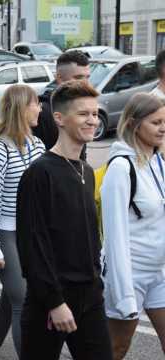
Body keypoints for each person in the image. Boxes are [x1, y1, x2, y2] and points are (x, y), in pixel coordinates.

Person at [16, 80, 113, 360]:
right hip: (51, 301)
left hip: (90, 297)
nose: (92, 120)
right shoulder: (39, 173)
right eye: (83, 114)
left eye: (95, 114)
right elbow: (33, 244)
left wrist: (98, 285)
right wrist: (55, 302)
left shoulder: (85, 170)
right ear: (59, 118)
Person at [0, 84, 46, 359]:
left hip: (29, 235)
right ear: (21, 108)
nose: (40, 108)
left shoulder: (38, 144)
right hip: (6, 234)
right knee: (23, 301)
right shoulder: (0, 150)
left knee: (11, 298)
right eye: (36, 104)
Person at [101, 93, 165, 359]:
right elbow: (114, 237)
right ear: (135, 124)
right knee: (116, 348)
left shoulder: (158, 162)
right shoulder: (120, 167)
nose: (163, 128)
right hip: (129, 274)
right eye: (156, 122)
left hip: (159, 273)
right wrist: (124, 293)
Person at [32, 50, 90, 159]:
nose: (85, 83)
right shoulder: (41, 113)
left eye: (87, 77)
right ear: (59, 78)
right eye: (78, 78)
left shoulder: (81, 110)